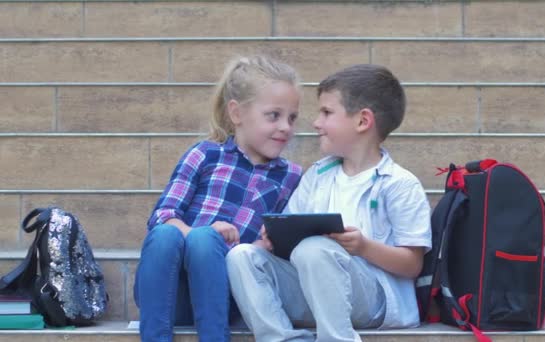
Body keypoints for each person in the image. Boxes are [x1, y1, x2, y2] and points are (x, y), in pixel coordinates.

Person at [226, 64, 432, 342]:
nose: (316, 122)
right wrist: (273, 238)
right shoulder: (317, 176)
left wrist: (363, 247)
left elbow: (412, 265)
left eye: (326, 112)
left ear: (362, 121)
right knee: (242, 256)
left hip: (375, 301)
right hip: (312, 291)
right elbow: (289, 233)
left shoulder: (398, 184)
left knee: (315, 248)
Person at [133, 55, 303, 342]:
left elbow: (280, 245)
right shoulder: (205, 154)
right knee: (168, 235)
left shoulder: (291, 177)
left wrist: (266, 244)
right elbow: (162, 215)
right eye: (274, 115)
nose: (286, 127)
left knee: (204, 241)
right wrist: (199, 232)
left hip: (227, 293)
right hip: (172, 293)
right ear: (237, 113)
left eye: (292, 118)